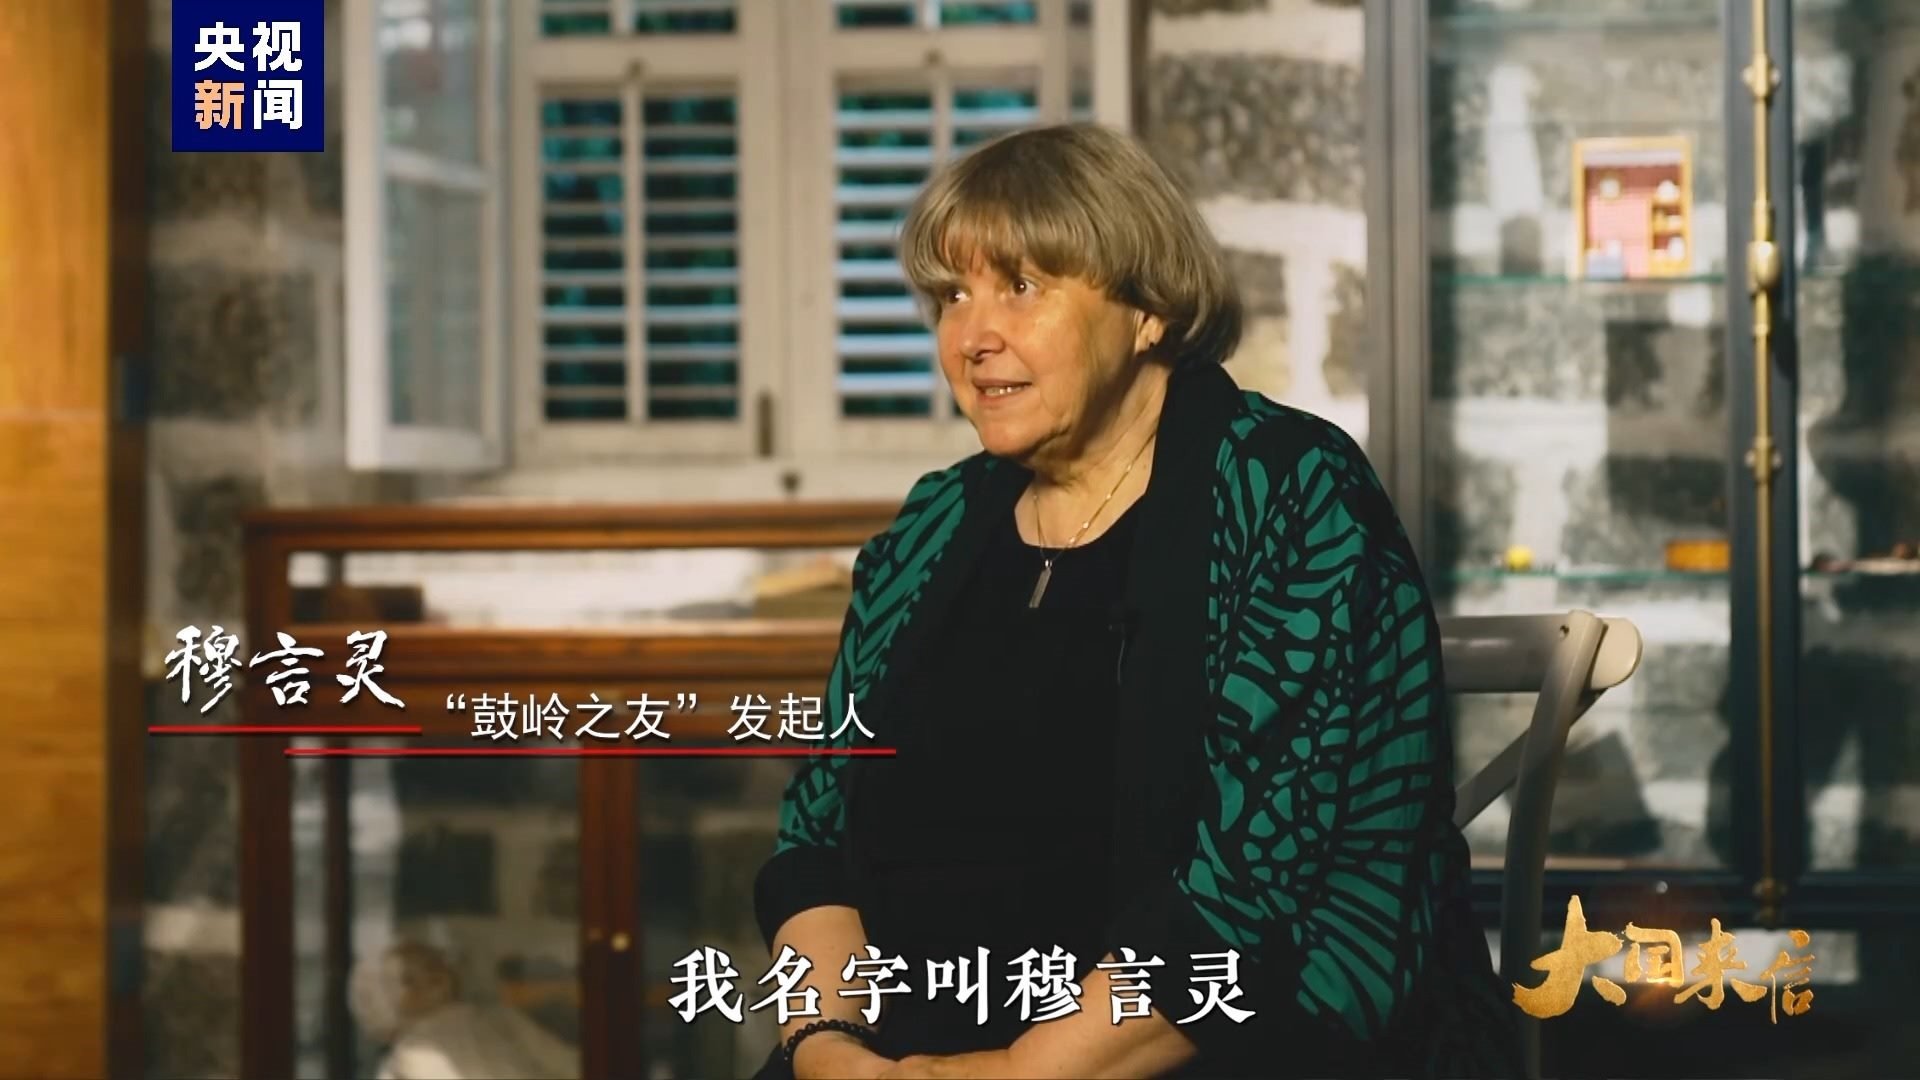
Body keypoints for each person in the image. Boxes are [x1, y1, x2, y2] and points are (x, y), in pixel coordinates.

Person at [751, 123, 1520, 1079]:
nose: (973, 337)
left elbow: (1257, 887)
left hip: (1210, 1047)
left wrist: (1013, 1074)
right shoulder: (933, 523)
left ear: (1147, 310)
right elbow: (816, 832)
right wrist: (825, 1046)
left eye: (1021, 286)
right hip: (911, 1048)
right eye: (952, 295)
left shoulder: (1289, 488)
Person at [350, 941, 580, 1080]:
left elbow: (567, 1062)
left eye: (433, 962)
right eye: (409, 979)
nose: (433, 976)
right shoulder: (412, 1058)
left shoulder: (497, 1018)